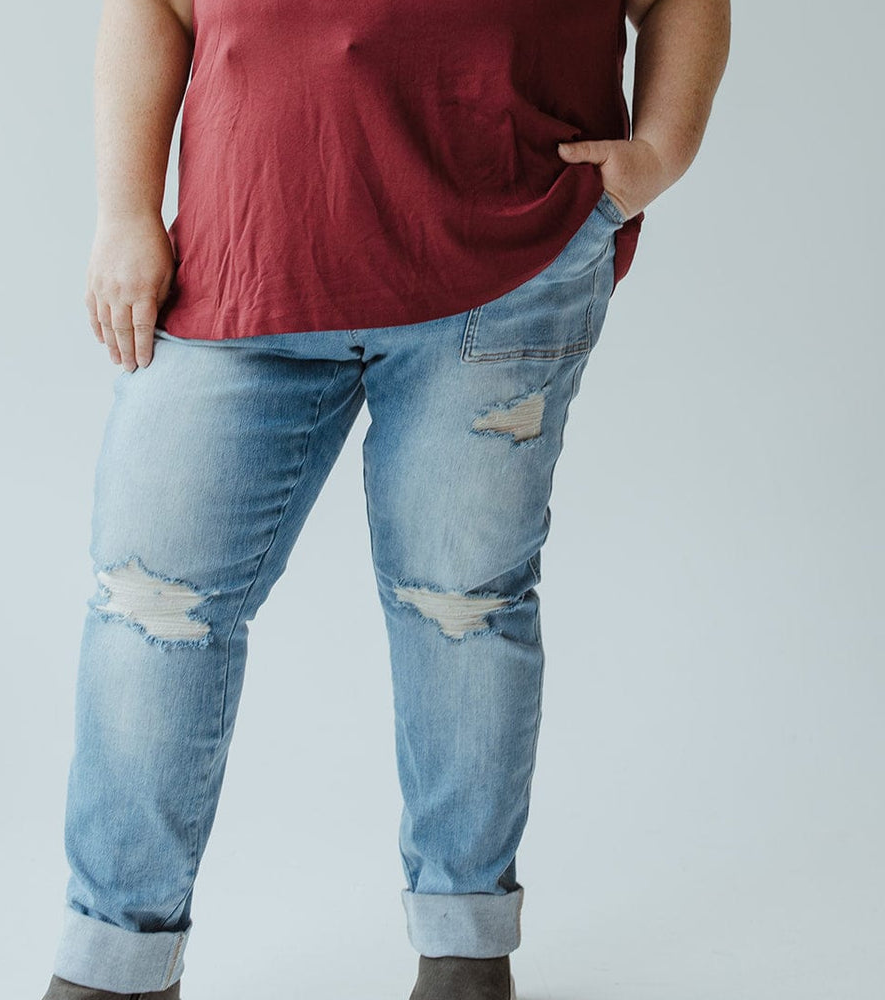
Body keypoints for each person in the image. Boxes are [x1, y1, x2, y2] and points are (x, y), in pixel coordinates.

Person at [41, 0, 730, 997]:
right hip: (243, 254)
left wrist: (661, 150)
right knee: (152, 604)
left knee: (462, 606)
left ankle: (463, 952)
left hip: (503, 259)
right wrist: (122, 211)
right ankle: (115, 965)